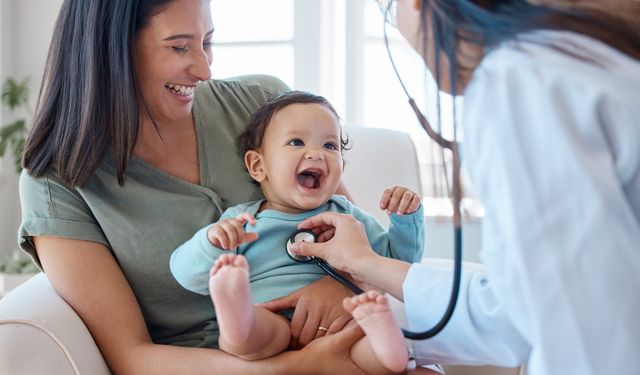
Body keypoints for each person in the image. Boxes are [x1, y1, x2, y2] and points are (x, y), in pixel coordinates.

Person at [15, 1, 441, 373]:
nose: (203, 70)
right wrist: (294, 369)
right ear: (109, 51)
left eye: (208, 42)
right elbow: (132, 357)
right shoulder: (56, 183)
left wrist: (337, 286)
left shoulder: (263, 103)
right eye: (179, 47)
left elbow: (352, 238)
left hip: (343, 330)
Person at [280, 1, 640, 374]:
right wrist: (364, 264)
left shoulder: (519, 83)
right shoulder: (575, 60)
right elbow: (520, 311)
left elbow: (578, 329)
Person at [170, 91, 425, 374]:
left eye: (330, 145)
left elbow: (395, 264)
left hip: (344, 324)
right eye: (296, 142)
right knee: (250, 337)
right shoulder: (243, 221)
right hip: (271, 316)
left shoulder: (347, 216)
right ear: (258, 165)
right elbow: (185, 274)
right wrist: (212, 242)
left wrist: (404, 220)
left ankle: (386, 344)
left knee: (367, 350)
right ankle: (236, 312)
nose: (316, 153)